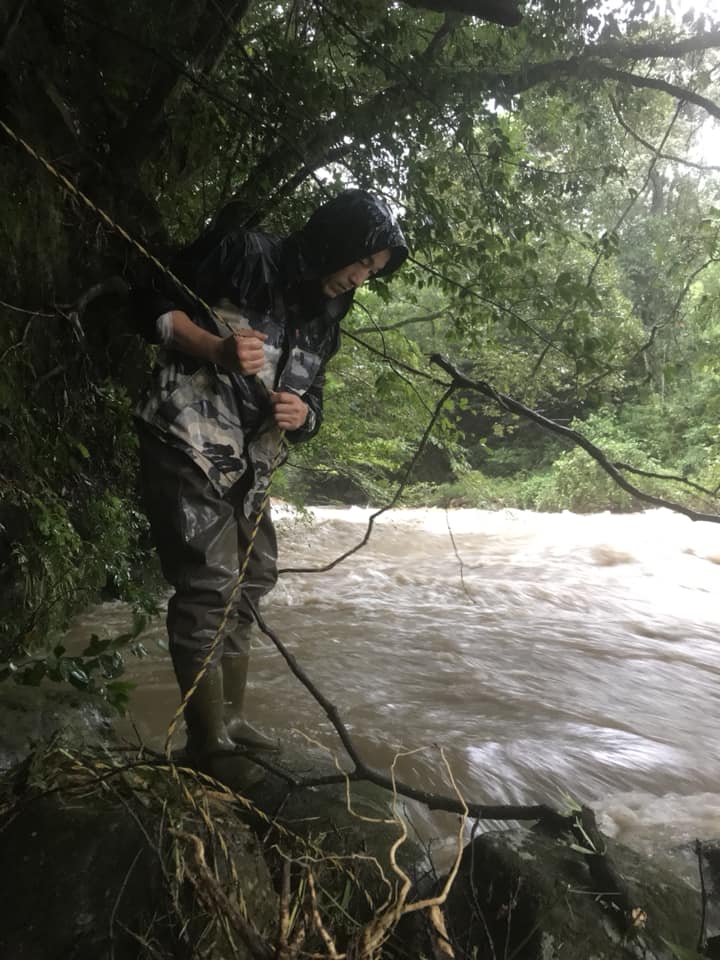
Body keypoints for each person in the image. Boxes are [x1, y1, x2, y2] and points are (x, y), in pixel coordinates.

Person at [132, 190, 409, 773]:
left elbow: (315, 401)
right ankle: (207, 741)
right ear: (336, 241)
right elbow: (145, 299)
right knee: (209, 582)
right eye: (362, 262)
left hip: (253, 466)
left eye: (373, 272)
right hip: (187, 435)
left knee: (251, 580)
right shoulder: (243, 254)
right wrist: (215, 348)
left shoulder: (329, 317)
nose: (361, 278)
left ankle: (231, 721)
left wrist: (304, 416)